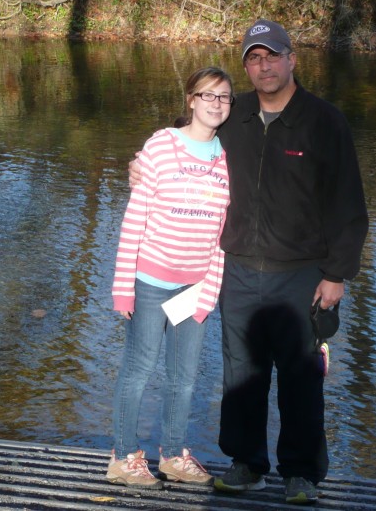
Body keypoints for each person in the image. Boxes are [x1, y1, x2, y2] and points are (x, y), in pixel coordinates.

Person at [129, 19, 368, 504]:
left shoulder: (324, 121)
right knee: (242, 373)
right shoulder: (232, 117)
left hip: (301, 274)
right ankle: (247, 463)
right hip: (237, 270)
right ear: (246, 67)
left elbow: (349, 205)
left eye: (272, 56)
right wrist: (141, 161)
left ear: (292, 59)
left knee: (301, 375)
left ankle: (300, 473)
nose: (264, 66)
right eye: (254, 59)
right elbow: (186, 138)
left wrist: (336, 274)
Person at [107, 66, 234, 489]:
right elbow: (134, 218)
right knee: (139, 369)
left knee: (184, 378)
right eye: (208, 96)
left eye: (224, 98)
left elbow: (221, 234)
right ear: (191, 100)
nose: (216, 104)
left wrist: (209, 291)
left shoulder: (225, 157)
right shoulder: (162, 146)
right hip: (150, 281)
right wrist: (123, 287)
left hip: (194, 286)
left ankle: (174, 455)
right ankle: (123, 457)